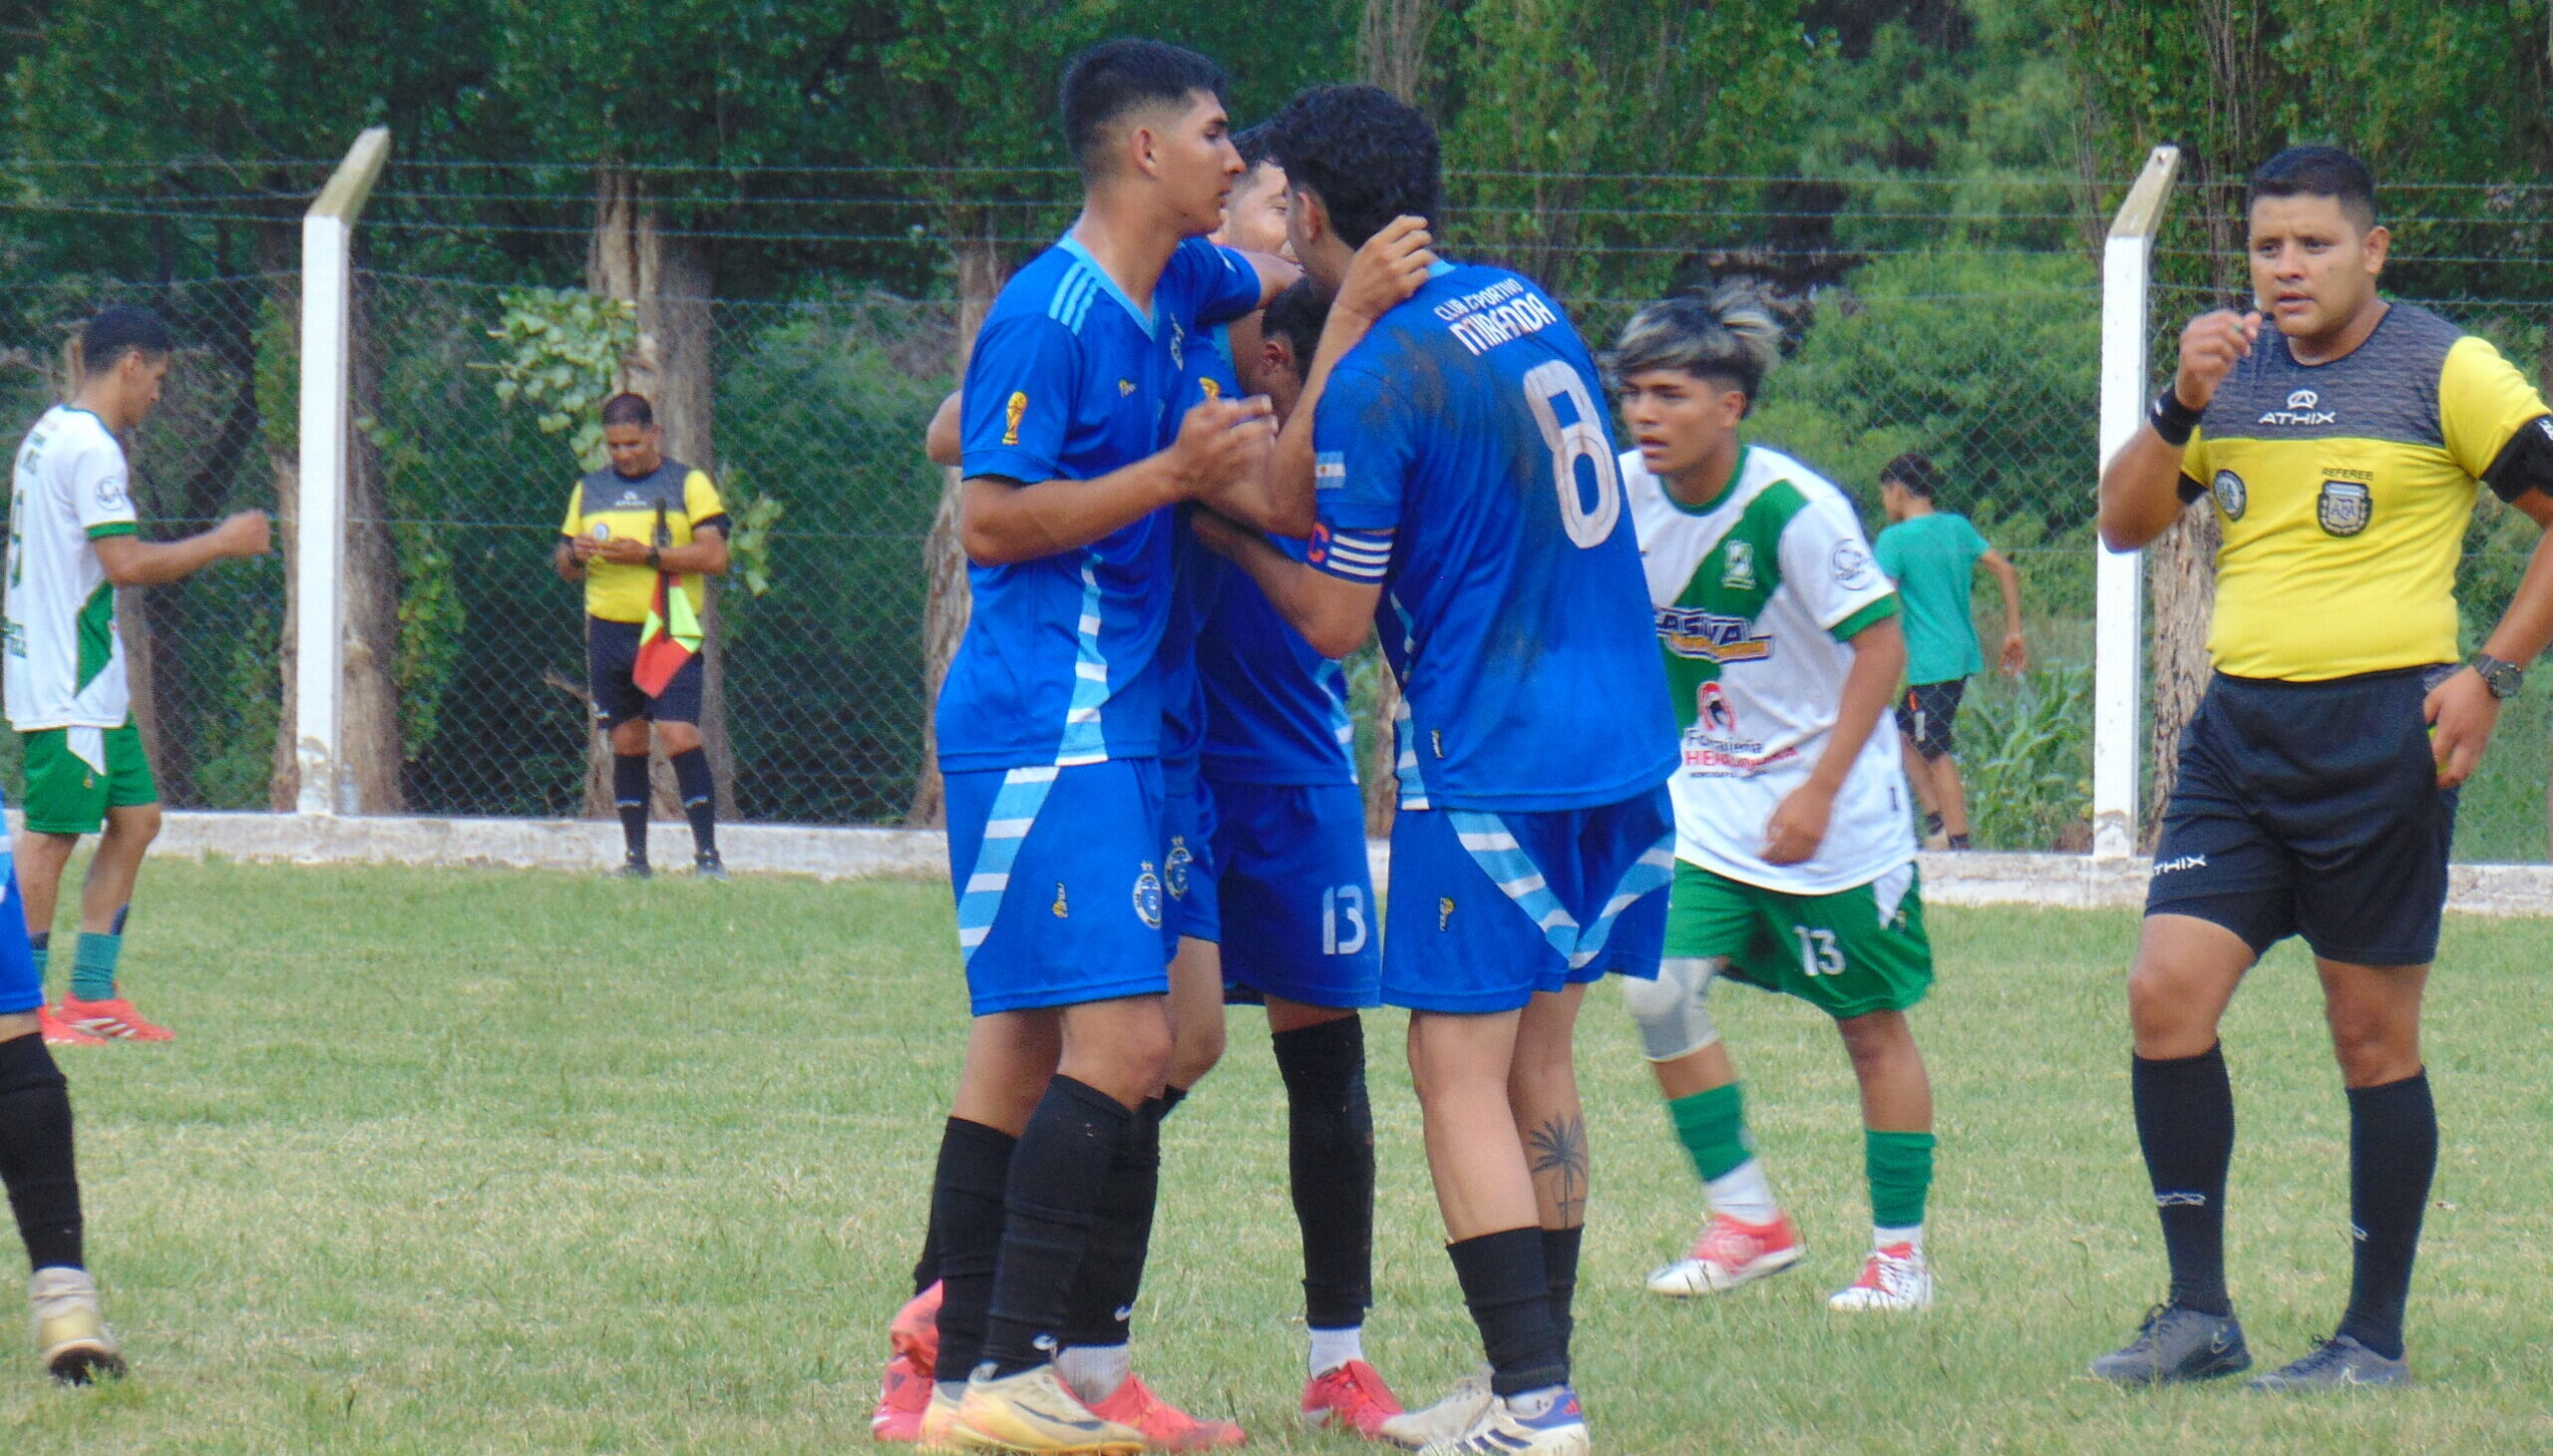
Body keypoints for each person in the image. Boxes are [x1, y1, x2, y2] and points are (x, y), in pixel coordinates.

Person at [1208, 84, 1678, 1456]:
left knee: (1452, 1070)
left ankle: (1536, 1409)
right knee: (1540, 1063)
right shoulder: (1521, 302)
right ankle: (1529, 1374)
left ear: (1307, 211)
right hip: (1620, 742)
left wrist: (1219, 531)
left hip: (1494, 755)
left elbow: (1336, 622)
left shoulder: (1375, 374)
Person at [2090, 145, 2553, 1391]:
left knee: (2368, 1035)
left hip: (2378, 744)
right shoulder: (2225, 372)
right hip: (2239, 741)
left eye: (2314, 244)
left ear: (2373, 250)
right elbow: (2123, 522)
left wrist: (2490, 676)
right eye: (2266, 247)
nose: (2286, 268)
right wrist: (2175, 403)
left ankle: (2371, 1335)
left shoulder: (2445, 368)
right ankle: (2198, 1315)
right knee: (2162, 992)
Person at [912, 38, 1296, 1454]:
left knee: (1167, 1036)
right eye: (1217, 135)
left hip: (1136, 731)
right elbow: (995, 520)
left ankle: (981, 1369)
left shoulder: (1176, 283)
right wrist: (1171, 477)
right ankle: (1001, 1374)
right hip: (1050, 725)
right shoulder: (1050, 313)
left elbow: (1276, 264)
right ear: (1144, 151)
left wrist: (1365, 272)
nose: (1237, 160)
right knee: (1112, 1038)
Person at [1606, 286, 1940, 1314]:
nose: (1642, 414)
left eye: (1668, 394)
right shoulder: (1618, 493)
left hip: (1830, 816)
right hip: (1705, 804)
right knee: (1656, 988)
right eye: (1631, 394)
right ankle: (1748, 1217)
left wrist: (1818, 790)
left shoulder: (1793, 510)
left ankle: (1899, 1256)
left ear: (1732, 405)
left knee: (1868, 1026)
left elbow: (1882, 646)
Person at [7, 305, 270, 1045]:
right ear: (129, 364)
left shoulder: (51, 429)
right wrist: (221, 541)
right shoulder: (91, 448)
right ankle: (20, 1006)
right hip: (69, 679)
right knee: (51, 838)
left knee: (137, 820)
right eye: (157, 377)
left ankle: (91, 996)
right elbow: (123, 564)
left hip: (87, 679)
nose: (158, 392)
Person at [553, 392, 731, 881]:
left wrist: (650, 557)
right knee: (627, 740)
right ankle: (636, 861)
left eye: (632, 443)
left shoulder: (688, 483)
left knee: (677, 732)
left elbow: (715, 557)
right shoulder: (589, 490)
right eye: (614, 446)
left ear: (655, 434)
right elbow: (563, 562)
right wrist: (578, 555)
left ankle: (708, 858)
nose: (624, 454)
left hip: (668, 627)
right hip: (608, 630)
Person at [1872, 452, 2024, 850]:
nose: (1885, 504)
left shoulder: (1894, 540)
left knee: (1933, 746)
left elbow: (1881, 599)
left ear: (1898, 491)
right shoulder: (1956, 527)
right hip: (1959, 655)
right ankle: (1937, 824)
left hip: (1929, 662)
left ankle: (1958, 843)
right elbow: (2006, 570)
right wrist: (2013, 632)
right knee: (1901, 733)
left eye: (1885, 495)